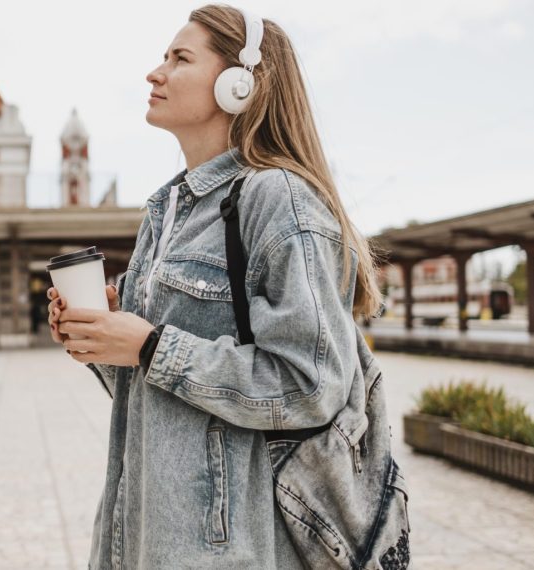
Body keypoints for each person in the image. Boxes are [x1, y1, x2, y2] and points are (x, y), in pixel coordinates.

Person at [46, 4, 404, 569]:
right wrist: (105, 342)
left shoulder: (276, 200)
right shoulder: (165, 211)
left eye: (179, 58)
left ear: (240, 83)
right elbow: (163, 399)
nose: (154, 73)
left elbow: (312, 385)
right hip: (143, 538)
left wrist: (150, 345)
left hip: (231, 549)